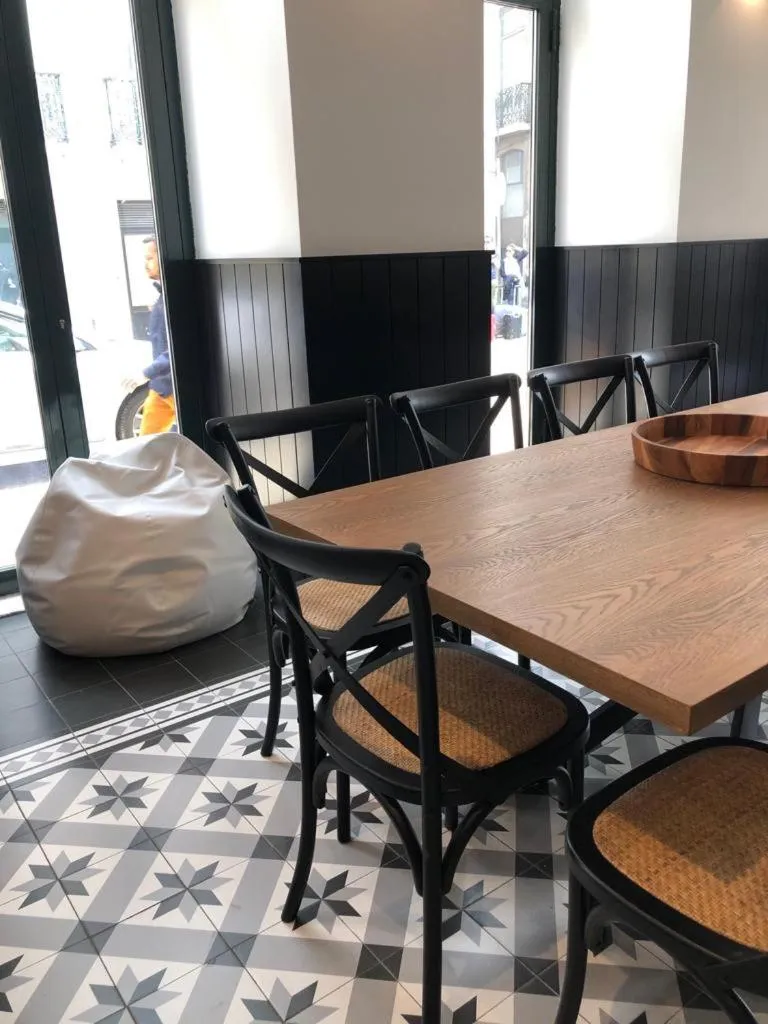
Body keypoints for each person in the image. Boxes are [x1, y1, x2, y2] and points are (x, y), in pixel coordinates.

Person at [124, 237, 176, 435]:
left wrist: (145, 374)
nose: (146, 264)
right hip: (163, 388)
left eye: (149, 258)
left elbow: (176, 349)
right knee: (148, 446)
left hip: (177, 386)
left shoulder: (172, 297)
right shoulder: (163, 296)